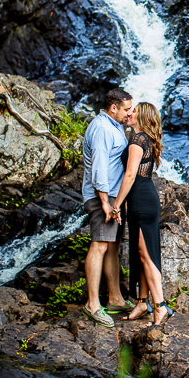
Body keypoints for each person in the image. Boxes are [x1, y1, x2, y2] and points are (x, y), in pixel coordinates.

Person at [111, 101, 175, 326]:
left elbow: (130, 176)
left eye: (134, 111)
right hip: (143, 199)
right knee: (143, 253)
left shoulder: (138, 141)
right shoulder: (143, 139)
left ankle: (159, 306)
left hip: (140, 200)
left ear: (143, 117)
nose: (129, 113)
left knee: (146, 254)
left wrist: (116, 204)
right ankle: (142, 302)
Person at [81, 88, 135, 327]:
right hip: (103, 197)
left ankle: (115, 298)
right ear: (113, 107)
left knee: (112, 247)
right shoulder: (102, 129)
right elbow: (99, 169)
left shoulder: (114, 126)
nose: (129, 113)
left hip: (114, 197)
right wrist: (105, 202)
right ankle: (93, 305)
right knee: (100, 245)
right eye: (126, 109)